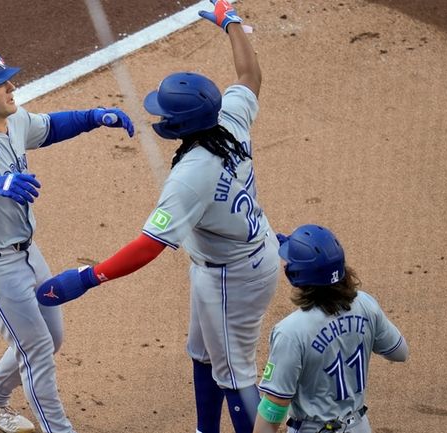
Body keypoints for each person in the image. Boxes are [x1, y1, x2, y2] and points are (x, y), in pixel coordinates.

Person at [35, 2, 278, 433]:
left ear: (181, 125)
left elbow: (150, 246)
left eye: (165, 113)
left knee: (236, 376)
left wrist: (87, 278)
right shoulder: (230, 120)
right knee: (201, 352)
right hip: (242, 255)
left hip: (231, 277)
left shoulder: (191, 177)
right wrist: (232, 24)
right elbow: (249, 78)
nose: (159, 116)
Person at [0, 50, 135, 433]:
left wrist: (94, 117)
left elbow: (50, 127)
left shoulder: (13, 122)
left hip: (27, 254)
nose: (11, 86)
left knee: (51, 338)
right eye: (1, 84)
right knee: (37, 352)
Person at [253, 225, 409, 433]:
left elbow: (273, 408)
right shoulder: (365, 305)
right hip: (359, 426)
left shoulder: (290, 331)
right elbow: (400, 352)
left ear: (295, 274)